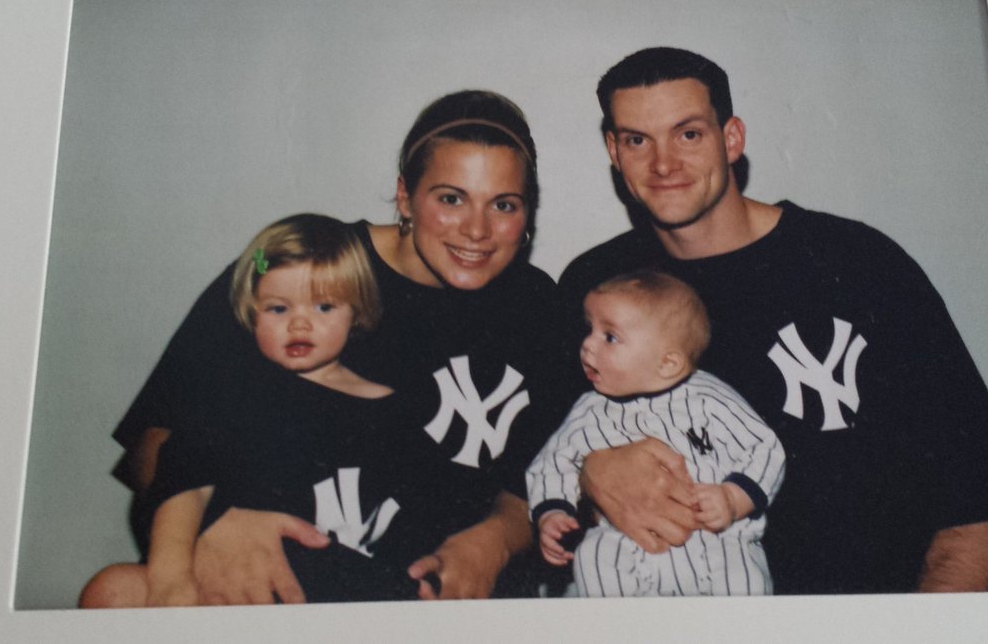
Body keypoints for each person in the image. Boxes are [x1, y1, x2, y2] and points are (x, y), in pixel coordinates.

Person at [557, 47, 988, 594]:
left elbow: (987, 507)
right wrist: (587, 472)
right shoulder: (593, 286)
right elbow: (545, 473)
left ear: (732, 138)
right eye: (637, 140)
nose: (663, 164)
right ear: (613, 151)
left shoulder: (857, 264)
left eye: (688, 134)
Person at [104, 90, 567, 603]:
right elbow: (157, 438)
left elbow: (549, 471)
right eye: (450, 198)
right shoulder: (304, 270)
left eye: (503, 205)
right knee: (114, 594)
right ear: (405, 197)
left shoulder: (540, 312)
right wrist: (214, 527)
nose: (476, 230)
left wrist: (495, 543)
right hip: (273, 581)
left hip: (428, 604)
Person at [81, 214, 474, 606]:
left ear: (356, 311)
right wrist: (171, 581)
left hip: (349, 593)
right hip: (236, 581)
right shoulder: (232, 393)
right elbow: (181, 480)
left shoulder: (400, 412)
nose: (300, 324)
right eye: (278, 309)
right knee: (111, 589)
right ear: (250, 313)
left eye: (323, 307)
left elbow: (427, 510)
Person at [528, 269, 784, 596]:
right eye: (589, 328)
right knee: (593, 558)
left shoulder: (707, 397)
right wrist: (552, 513)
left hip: (713, 539)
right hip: (625, 541)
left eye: (610, 337)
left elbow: (763, 447)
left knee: (742, 577)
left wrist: (734, 498)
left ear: (668, 364)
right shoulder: (589, 410)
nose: (587, 345)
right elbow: (554, 462)